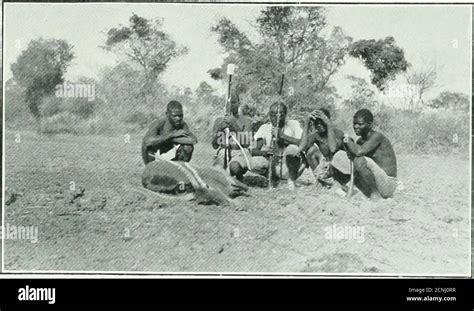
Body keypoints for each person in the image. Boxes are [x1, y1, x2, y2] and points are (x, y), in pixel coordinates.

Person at [334, 108, 398, 199]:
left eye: (360, 124)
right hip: (376, 181)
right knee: (338, 156)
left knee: (359, 159)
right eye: (354, 124)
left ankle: (374, 194)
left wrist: (347, 140)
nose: (356, 126)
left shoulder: (377, 137)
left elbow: (360, 152)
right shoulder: (360, 141)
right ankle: (354, 188)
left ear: (370, 124)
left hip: (388, 184)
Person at [250, 101, 305, 190]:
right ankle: (272, 179)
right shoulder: (264, 128)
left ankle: (291, 181)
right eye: (272, 115)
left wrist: (282, 136)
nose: (276, 118)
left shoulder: (293, 124)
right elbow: (253, 150)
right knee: (254, 162)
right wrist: (265, 152)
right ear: (269, 115)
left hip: (290, 167)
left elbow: (303, 143)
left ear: (286, 115)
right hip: (274, 166)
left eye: (280, 115)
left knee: (293, 149)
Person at [298, 108, 346, 187]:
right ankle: (321, 181)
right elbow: (302, 147)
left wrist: (329, 125)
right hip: (327, 170)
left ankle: (334, 183)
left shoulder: (338, 133)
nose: (319, 125)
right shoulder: (316, 135)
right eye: (316, 123)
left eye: (322, 122)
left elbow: (333, 148)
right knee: (310, 151)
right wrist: (307, 123)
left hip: (340, 170)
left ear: (328, 121)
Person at [212, 94, 254, 181]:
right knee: (217, 175)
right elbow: (214, 145)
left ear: (239, 103)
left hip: (239, 153)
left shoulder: (247, 121)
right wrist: (220, 128)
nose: (230, 105)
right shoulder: (219, 120)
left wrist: (234, 125)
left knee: (235, 167)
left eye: (233, 102)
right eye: (228, 103)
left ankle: (238, 177)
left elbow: (246, 143)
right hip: (222, 153)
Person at [141, 100, 197, 164]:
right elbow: (147, 141)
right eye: (174, 116)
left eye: (180, 115)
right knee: (149, 146)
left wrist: (172, 139)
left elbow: (193, 140)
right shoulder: (159, 123)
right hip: (155, 153)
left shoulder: (182, 124)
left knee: (188, 147)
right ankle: (150, 168)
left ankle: (178, 168)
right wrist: (171, 135)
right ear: (167, 114)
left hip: (170, 152)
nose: (178, 118)